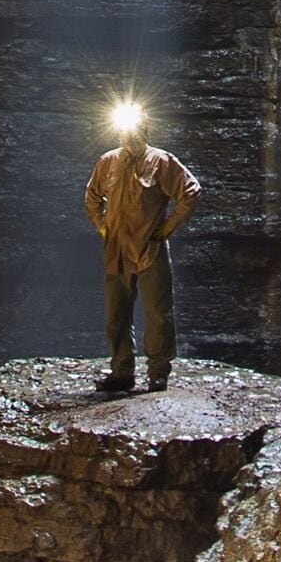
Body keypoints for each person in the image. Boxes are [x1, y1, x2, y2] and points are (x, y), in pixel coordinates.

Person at [83, 103, 200, 394]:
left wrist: (169, 225)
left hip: (150, 249)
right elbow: (92, 196)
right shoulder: (107, 161)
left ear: (144, 128)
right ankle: (122, 372)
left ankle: (158, 373)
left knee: (158, 314)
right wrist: (102, 226)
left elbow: (191, 190)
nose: (128, 134)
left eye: (133, 128)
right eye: (123, 128)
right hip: (116, 252)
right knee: (116, 315)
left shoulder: (161, 161)